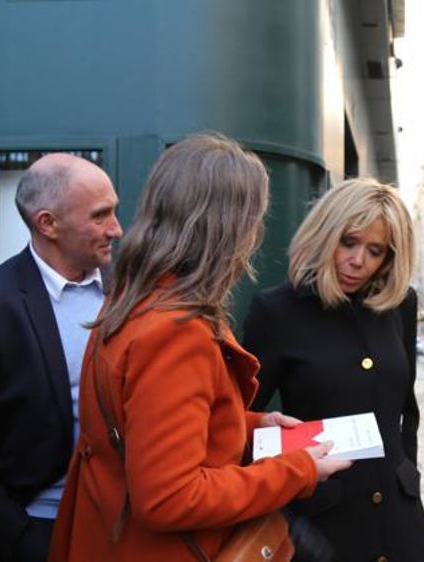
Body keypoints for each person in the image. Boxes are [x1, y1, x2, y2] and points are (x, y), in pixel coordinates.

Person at [49, 133, 350, 561]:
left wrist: (251, 425)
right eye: (253, 219)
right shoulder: (175, 331)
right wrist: (297, 470)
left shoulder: (133, 301)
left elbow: (148, 425)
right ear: (229, 228)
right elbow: (170, 496)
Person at [244, 178, 424, 561]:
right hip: (318, 524)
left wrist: (407, 476)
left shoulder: (399, 305)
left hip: (401, 521)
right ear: (325, 233)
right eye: (349, 241)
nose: (358, 260)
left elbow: (406, 409)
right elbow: (237, 420)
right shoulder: (278, 311)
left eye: (375, 250)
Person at [0, 153, 123, 561]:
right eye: (100, 216)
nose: (116, 228)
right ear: (47, 223)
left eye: (114, 211)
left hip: (125, 523)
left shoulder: (132, 290)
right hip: (37, 529)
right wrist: (14, 532)